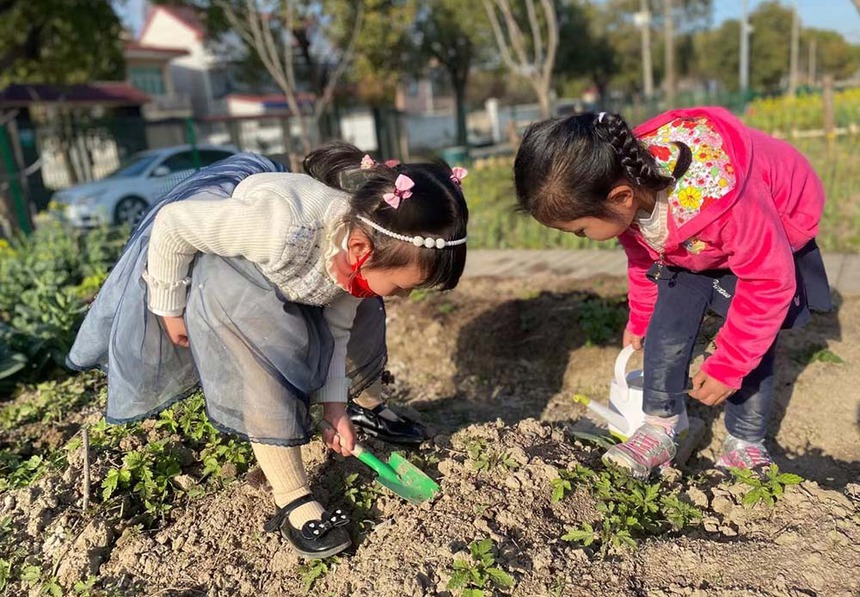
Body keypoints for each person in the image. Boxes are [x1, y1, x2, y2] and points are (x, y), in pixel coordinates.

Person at [67, 144, 469, 558]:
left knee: (364, 313)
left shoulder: (359, 260)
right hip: (231, 269)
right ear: (361, 251)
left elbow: (336, 340)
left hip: (304, 269)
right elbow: (173, 224)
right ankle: (291, 494)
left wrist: (334, 409)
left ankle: (366, 406)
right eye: (404, 285)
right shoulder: (278, 228)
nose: (404, 295)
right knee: (265, 349)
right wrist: (168, 305)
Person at [513, 107, 831, 479]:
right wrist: (642, 318)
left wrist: (729, 364)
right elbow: (640, 254)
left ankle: (745, 443)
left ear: (620, 197)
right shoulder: (626, 185)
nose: (581, 239)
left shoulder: (724, 200)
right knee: (665, 328)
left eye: (580, 230)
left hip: (765, 230)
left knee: (750, 341)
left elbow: (768, 282)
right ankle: (658, 430)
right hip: (694, 243)